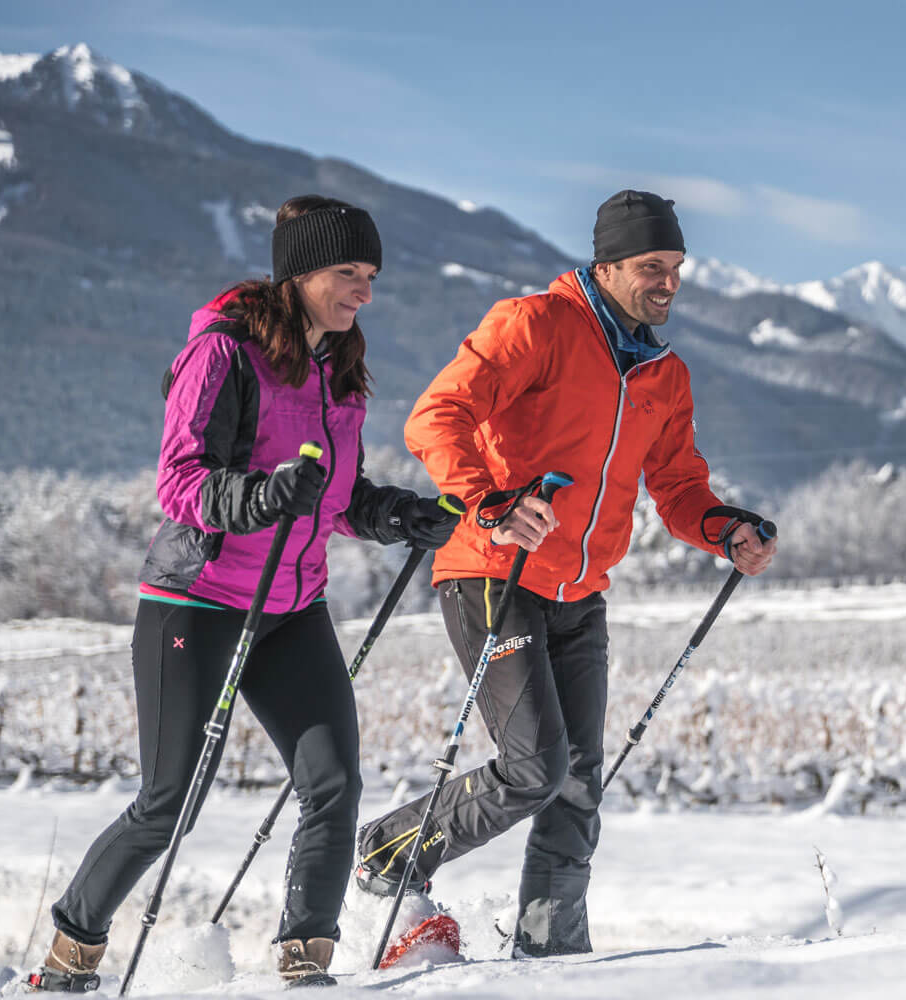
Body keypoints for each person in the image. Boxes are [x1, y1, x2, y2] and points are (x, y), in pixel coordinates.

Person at [24, 196, 463, 992]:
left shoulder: (342, 367)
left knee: (332, 784)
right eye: (346, 273)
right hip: (197, 599)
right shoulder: (224, 353)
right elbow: (182, 481)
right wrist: (261, 496)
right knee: (171, 802)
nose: (363, 290)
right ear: (297, 273)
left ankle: (306, 964)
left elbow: (331, 493)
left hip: (291, 605)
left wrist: (397, 514)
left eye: (370, 275)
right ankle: (69, 956)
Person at [354, 189, 777, 958]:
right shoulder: (535, 326)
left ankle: (554, 956)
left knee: (580, 784)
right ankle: (385, 855)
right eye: (653, 266)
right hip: (493, 575)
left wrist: (727, 530)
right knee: (533, 770)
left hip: (580, 594)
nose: (669, 282)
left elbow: (678, 488)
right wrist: (487, 502)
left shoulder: (664, 374)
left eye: (677, 266)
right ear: (607, 264)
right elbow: (435, 415)